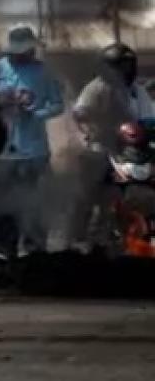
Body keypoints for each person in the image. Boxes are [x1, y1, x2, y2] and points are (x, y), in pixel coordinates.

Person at [0, 25, 63, 257]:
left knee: (34, 202)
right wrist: (1, 102)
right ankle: (4, 251)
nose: (24, 55)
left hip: (34, 150)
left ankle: (34, 252)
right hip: (1, 151)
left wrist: (35, 111)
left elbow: (58, 105)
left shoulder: (44, 72)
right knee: (2, 204)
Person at [71, 43, 155, 252]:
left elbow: (148, 117)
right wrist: (106, 128)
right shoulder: (97, 88)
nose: (125, 71)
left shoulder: (137, 90)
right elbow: (81, 114)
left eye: (128, 66)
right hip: (100, 149)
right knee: (89, 193)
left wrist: (145, 130)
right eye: (120, 67)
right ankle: (79, 238)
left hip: (131, 151)